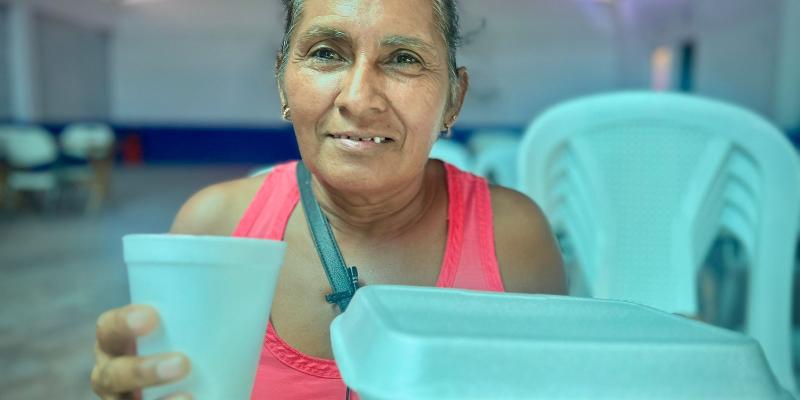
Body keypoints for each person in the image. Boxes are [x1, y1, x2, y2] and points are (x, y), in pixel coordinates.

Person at [91, 0, 567, 398]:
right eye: (326, 53)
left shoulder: (512, 238)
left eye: (403, 58)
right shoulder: (214, 225)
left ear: (454, 99)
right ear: (282, 81)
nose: (359, 99)